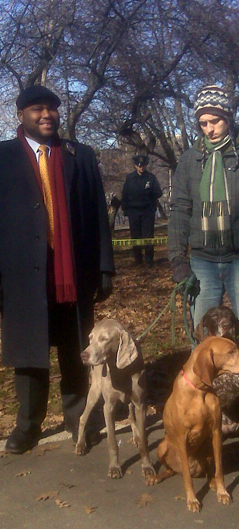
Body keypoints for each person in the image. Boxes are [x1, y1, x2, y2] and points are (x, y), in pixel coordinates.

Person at [0, 85, 115, 454]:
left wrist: (104, 269)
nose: (47, 114)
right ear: (21, 115)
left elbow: (98, 214)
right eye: (37, 109)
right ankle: (27, 426)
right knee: (29, 353)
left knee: (73, 348)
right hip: (20, 275)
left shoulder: (78, 155)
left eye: (52, 108)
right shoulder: (2, 157)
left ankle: (77, 416)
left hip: (72, 272)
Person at [168, 85, 239, 427]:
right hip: (201, 261)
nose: (209, 129)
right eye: (202, 123)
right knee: (203, 345)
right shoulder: (189, 160)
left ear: (228, 118)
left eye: (215, 121)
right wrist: (178, 260)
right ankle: (204, 411)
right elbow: (180, 210)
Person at [121, 154, 162, 267]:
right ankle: (138, 260)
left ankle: (149, 260)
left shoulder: (151, 178)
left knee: (148, 237)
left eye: (143, 165)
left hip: (147, 212)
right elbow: (124, 194)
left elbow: (158, 193)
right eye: (139, 166)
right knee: (135, 237)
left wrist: (150, 193)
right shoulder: (129, 178)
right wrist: (125, 209)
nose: (141, 168)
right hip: (133, 212)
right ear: (135, 166)